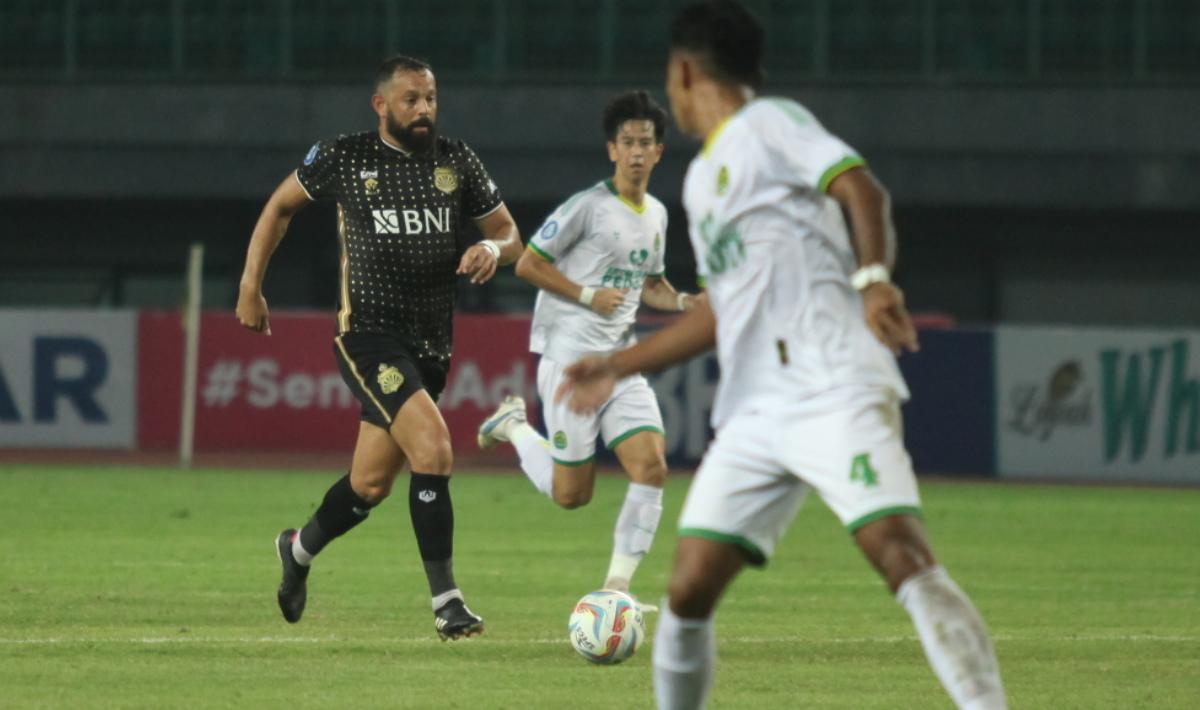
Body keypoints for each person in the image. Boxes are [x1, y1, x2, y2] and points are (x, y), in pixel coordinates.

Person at [556, 2, 1008, 708]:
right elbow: (725, 315)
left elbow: (860, 187)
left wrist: (874, 279)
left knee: (901, 554)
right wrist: (619, 364)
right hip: (758, 413)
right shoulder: (704, 185)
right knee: (686, 589)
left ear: (683, 72)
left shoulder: (773, 125)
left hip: (834, 385)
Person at [235, 54, 522, 640]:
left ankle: (298, 550)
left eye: (431, 99)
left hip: (432, 343)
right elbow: (279, 207)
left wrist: (494, 252)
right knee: (435, 448)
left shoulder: (457, 161)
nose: (424, 110)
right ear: (382, 105)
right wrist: (250, 286)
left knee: (369, 485)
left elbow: (510, 234)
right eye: (412, 99)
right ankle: (447, 602)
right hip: (367, 334)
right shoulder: (345, 156)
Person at [476, 90, 695, 602]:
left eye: (646, 142)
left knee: (652, 466)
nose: (638, 151)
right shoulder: (587, 207)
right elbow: (527, 262)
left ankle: (616, 589)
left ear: (659, 151)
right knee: (572, 496)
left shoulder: (658, 215)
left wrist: (685, 302)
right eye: (628, 142)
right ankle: (512, 426)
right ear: (612, 150)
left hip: (620, 364)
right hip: (570, 362)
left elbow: (651, 284)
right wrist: (586, 294)